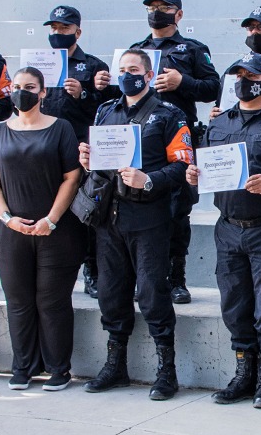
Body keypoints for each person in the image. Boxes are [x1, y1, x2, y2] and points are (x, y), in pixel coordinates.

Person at [186, 53, 261, 409]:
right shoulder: (218, 123)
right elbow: (204, 167)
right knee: (234, 304)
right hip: (228, 227)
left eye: (251, 75)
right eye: (238, 75)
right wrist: (194, 176)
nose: (243, 81)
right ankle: (243, 373)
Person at [78, 49, 194, 399]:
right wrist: (87, 160)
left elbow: (183, 166)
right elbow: (99, 163)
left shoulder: (169, 114)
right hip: (109, 216)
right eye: (122, 69)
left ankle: (167, 371)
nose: (127, 75)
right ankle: (116, 366)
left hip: (149, 217)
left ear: (148, 74)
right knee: (111, 292)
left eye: (134, 69)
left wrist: (149, 180)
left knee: (152, 292)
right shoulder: (105, 110)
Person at [0, 67, 85, 391]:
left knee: (52, 301)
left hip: (56, 230)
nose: (21, 92)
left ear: (42, 93)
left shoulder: (61, 128)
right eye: (16, 86)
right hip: (12, 230)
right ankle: (23, 367)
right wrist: (6, 217)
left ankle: (58, 368)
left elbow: (72, 177)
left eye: (29, 87)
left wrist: (51, 219)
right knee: (18, 301)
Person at [129, 0, 221, 305]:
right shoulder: (135, 50)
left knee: (178, 212)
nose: (157, 12)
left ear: (178, 14)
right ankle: (147, 278)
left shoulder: (193, 49)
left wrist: (184, 82)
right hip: (143, 142)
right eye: (152, 7)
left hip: (179, 140)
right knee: (141, 212)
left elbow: (213, 88)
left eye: (164, 7)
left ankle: (177, 279)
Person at [39, 5, 117, 299]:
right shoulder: (39, 64)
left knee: (87, 212)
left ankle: (91, 270)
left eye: (64, 28)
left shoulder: (94, 65)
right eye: (54, 28)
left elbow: (107, 109)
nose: (58, 33)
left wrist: (82, 93)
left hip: (81, 151)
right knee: (48, 208)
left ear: (78, 32)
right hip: (45, 148)